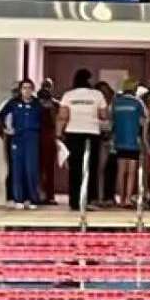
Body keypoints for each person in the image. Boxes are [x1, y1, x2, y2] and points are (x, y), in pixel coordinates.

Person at [58, 69, 108, 210]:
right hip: (92, 133)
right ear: (89, 80)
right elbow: (104, 115)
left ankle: (74, 201)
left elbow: (63, 116)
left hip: (73, 133)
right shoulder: (97, 95)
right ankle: (89, 200)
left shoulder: (68, 95)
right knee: (90, 167)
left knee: (75, 168)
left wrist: (59, 135)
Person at [0, 79, 43, 210]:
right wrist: (6, 131)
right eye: (24, 88)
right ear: (20, 90)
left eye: (29, 88)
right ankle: (18, 199)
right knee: (17, 169)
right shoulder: (13, 103)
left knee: (31, 169)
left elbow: (44, 120)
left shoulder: (37, 104)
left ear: (32, 90)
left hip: (32, 138)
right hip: (18, 138)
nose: (27, 91)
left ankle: (32, 199)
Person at [111, 77, 146, 207]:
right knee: (131, 172)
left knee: (121, 171)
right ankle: (128, 198)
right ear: (134, 89)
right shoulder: (138, 102)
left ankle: (121, 199)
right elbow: (144, 120)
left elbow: (111, 120)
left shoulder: (116, 102)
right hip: (133, 140)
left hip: (119, 140)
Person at [37, 81, 59, 204]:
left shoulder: (53, 105)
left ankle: (46, 195)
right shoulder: (53, 105)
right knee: (45, 169)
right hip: (44, 138)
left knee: (45, 168)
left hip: (43, 138)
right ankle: (45, 195)